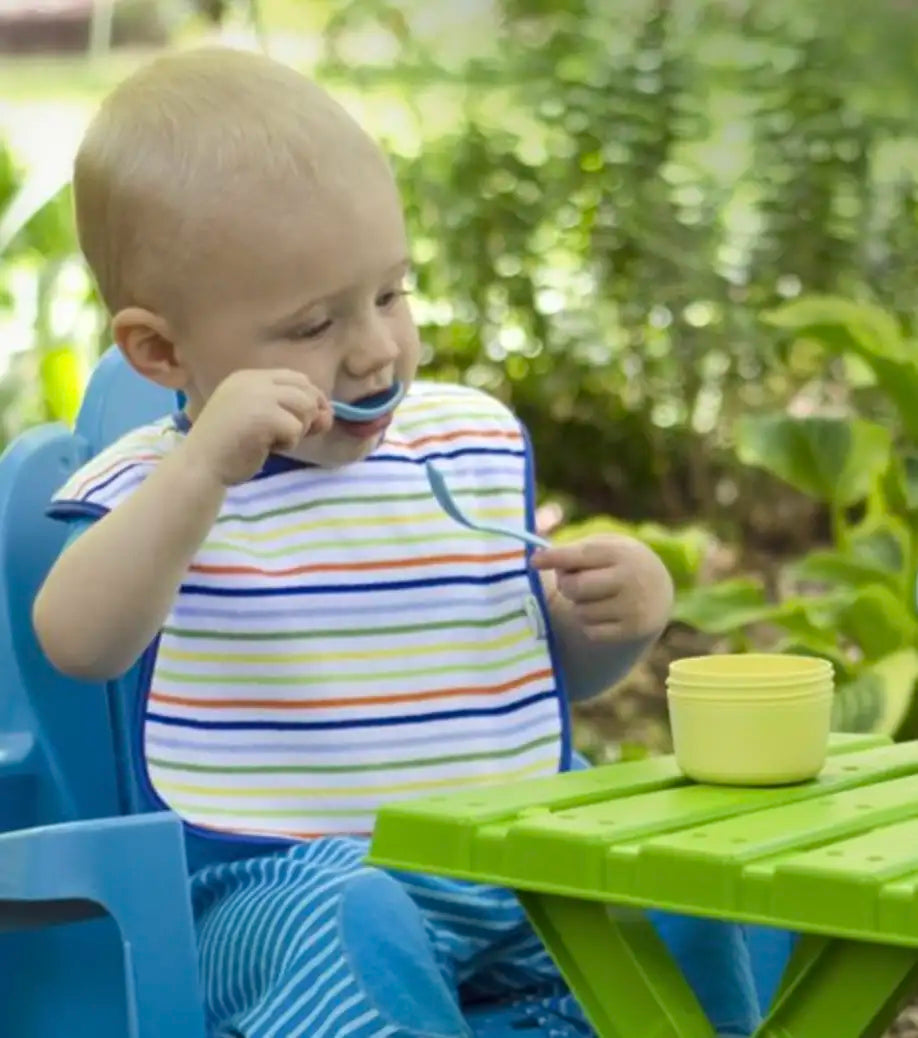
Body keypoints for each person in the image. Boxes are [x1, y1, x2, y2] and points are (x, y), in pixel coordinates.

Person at [33, 47, 759, 1038]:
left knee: (665, 871)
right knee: (346, 918)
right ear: (161, 351)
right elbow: (78, 642)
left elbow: (523, 674)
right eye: (313, 325)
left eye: (390, 294)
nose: (377, 349)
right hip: (271, 885)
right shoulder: (161, 492)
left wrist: (612, 627)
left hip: (516, 863)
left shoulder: (451, 452)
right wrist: (201, 473)